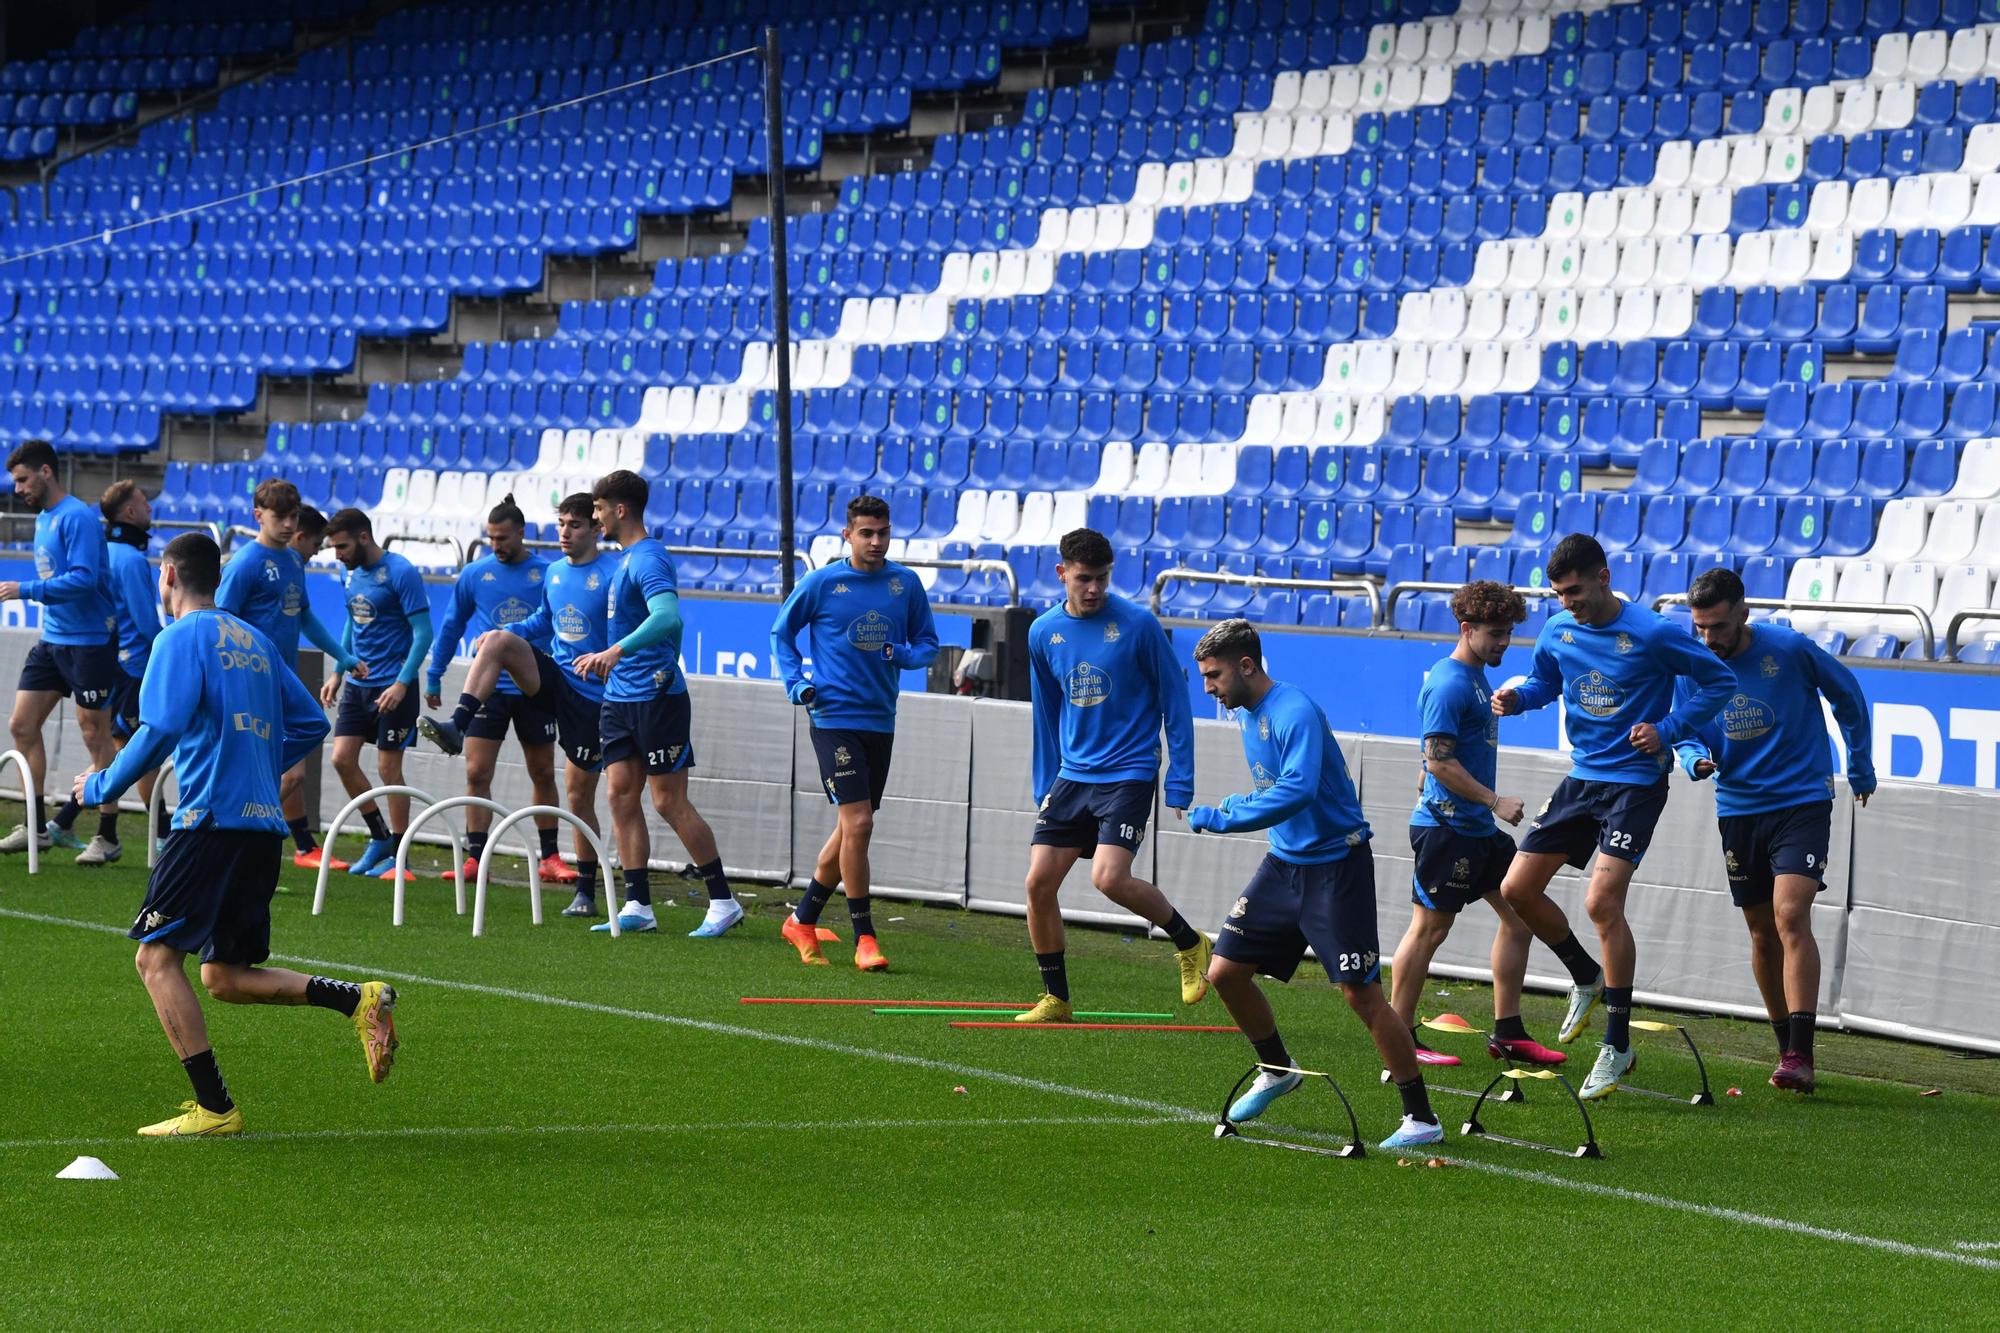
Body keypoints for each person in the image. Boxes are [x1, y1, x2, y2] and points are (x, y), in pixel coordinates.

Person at [71, 532, 397, 1137]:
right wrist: (255, 763)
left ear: (167, 576)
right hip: (260, 827)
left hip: (210, 824)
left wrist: (100, 786)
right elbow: (308, 724)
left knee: (155, 958)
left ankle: (215, 1109)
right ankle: (358, 999)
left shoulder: (178, 638)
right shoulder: (256, 640)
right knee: (223, 976)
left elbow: (159, 727)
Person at [1490, 534, 1734, 1100]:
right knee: (1517, 889)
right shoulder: (1557, 629)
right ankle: (1584, 974)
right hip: (1583, 778)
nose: (1567, 602)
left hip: (1636, 784)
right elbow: (1547, 682)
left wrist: (1669, 731)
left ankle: (1617, 1043)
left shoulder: (1651, 632)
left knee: (1601, 901)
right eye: (1558, 593)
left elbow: (1719, 682)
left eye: (1574, 590)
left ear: (1603, 576)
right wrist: (1519, 700)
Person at [1187, 619, 1443, 1150]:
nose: (1208, 687)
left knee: (1361, 995)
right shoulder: (1248, 712)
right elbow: (1277, 787)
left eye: (1213, 676)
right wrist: (1241, 802)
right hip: (1284, 865)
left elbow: (1299, 791)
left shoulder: (1294, 710)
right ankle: (1278, 1069)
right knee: (1225, 972)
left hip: (1336, 869)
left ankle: (1421, 1117)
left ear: (1247, 666)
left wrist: (1225, 818)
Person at [1675, 567, 1876, 1095]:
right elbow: (1683, 729)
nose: (1709, 639)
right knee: (1762, 931)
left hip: (1801, 800)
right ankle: (1785, 1044)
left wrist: (1860, 765)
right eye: (1700, 628)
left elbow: (1849, 696)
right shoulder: (1693, 665)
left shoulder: (1788, 649)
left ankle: (1801, 1055)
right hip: (1738, 807)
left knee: (1790, 914)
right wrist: (1694, 758)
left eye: (1717, 626)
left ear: (1744, 612)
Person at [1018, 527, 1209, 1023]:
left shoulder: (1139, 625)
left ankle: (1190, 943)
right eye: (1084, 578)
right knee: (1038, 883)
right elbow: (1045, 711)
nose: (1095, 588)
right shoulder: (1042, 633)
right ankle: (1056, 999)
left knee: (1108, 878)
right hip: (1072, 775)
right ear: (1062, 574)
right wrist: (1045, 782)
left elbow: (1176, 700)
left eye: (1102, 578)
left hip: (1129, 771)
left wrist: (1179, 779)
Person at [1391, 580, 1568, 1067]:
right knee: (1429, 929)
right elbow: (1438, 762)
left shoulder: (1473, 677)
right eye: (1495, 633)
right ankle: (1398, 1038)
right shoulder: (1449, 682)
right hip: (1447, 829)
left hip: (1474, 829)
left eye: (1509, 633)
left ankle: (1507, 1032)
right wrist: (1495, 801)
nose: (1504, 642)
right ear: (1466, 629)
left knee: (1518, 914)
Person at [420, 493, 622, 919]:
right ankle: (457, 725)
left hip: (594, 696)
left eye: (575, 524)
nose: (565, 532)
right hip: (551, 680)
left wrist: (615, 662)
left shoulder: (612, 573)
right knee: (495, 643)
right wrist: (504, 632)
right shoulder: (550, 574)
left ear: (595, 528)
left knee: (577, 792)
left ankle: (589, 885)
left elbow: (633, 629)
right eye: (561, 523)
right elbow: (539, 623)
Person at [770, 493, 940, 971]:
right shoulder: (823, 583)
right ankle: (865, 936)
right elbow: (781, 633)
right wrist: (796, 683)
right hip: (832, 718)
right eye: (866, 533)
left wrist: (901, 655)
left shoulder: (904, 585)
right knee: (860, 823)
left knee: (850, 827)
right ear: (847, 535)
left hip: (879, 720)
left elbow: (927, 644)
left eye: (883, 532)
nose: (877, 541)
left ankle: (802, 920)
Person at [576, 470, 740, 938]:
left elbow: (668, 616)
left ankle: (723, 901)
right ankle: (638, 904)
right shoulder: (626, 560)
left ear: (620, 509)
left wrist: (616, 651)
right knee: (620, 794)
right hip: (620, 697)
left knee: (669, 801)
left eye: (600, 510)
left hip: (654, 696)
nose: (596, 518)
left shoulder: (649, 558)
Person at [424, 494, 569, 884]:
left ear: (521, 533)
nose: (496, 546)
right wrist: (435, 673)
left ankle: (550, 856)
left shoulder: (549, 572)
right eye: (490, 538)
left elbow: (559, 623)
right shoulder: (475, 574)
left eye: (503, 538)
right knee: (476, 770)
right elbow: (452, 624)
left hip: (532, 687)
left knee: (541, 771)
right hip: (489, 689)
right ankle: (475, 858)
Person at [216, 481, 361, 869]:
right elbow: (218, 622)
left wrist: (342, 655)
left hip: (283, 680)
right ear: (257, 515)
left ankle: (235, 836)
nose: (287, 524)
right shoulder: (246, 564)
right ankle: (229, 835)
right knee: (290, 773)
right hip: (248, 682)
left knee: (289, 764)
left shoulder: (294, 560)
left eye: (292, 517)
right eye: (280, 516)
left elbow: (305, 616)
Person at [0, 440, 121, 857]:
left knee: (95, 734)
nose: (17, 489)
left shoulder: (77, 518)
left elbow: (85, 579)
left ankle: (108, 835)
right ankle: (38, 828)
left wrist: (25, 590)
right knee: (22, 725)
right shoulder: (45, 519)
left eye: (22, 480)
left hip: (89, 643)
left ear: (46, 472)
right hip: (53, 641)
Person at [41, 480, 162, 864]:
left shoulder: (106, 551)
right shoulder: (130, 559)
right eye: (144, 501)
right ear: (129, 512)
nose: (149, 508)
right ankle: (163, 837)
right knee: (141, 755)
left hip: (113, 662)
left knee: (118, 751)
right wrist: (172, 656)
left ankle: (64, 821)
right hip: (134, 668)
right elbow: (145, 623)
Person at [318, 508, 433, 879]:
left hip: (393, 684)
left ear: (364, 537)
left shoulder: (400, 572)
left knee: (388, 766)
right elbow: (353, 620)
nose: (337, 554)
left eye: (342, 546)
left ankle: (400, 854)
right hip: (359, 683)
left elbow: (423, 633)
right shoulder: (347, 572)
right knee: (341, 759)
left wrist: (402, 683)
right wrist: (338, 669)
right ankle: (379, 837)